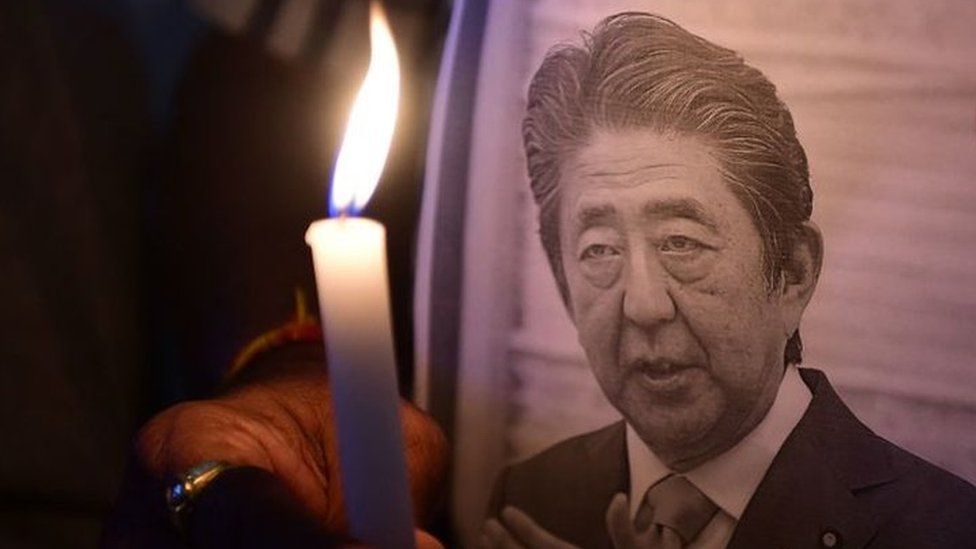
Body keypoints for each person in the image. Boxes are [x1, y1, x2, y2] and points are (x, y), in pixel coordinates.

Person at [482, 12, 976, 549]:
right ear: (563, 286)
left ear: (793, 272)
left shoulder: (944, 529)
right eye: (600, 251)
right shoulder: (530, 499)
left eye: (681, 242)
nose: (643, 306)